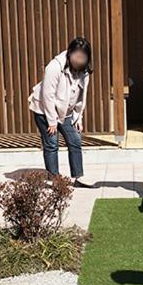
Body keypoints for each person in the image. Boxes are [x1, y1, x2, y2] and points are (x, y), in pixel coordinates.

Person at [29, 37, 93, 187]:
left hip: (66, 112)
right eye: (76, 56)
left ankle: (78, 176)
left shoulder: (84, 73)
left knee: (75, 140)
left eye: (82, 58)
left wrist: (78, 118)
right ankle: (54, 178)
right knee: (52, 143)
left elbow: (80, 98)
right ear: (70, 53)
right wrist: (51, 121)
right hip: (44, 110)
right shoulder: (54, 67)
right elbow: (47, 95)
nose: (79, 60)